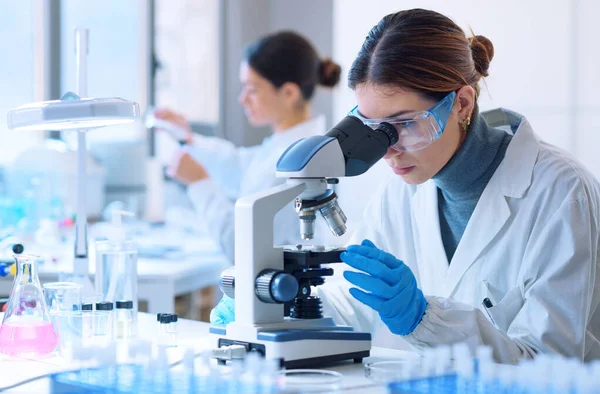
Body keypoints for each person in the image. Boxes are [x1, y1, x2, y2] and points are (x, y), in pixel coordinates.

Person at [211, 9, 600, 364]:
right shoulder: (403, 188)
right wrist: (274, 311)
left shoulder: (561, 192)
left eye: (406, 123)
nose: (388, 150)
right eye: (374, 130)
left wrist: (423, 319)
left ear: (462, 104)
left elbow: (552, 365)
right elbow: (355, 304)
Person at [155, 31, 341, 263]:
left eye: (252, 89)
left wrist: (199, 184)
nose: (242, 99)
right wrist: (188, 139)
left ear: (289, 93)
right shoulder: (287, 145)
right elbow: (240, 166)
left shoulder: (299, 162)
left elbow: (242, 247)